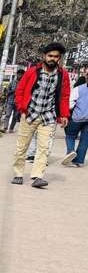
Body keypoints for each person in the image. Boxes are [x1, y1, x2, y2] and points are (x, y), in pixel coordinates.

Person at [12, 42, 75, 188]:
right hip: (30, 114)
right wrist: (22, 107)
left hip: (49, 116)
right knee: (22, 147)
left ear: (60, 58)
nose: (53, 59)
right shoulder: (33, 71)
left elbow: (65, 96)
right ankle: (18, 173)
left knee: (44, 148)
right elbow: (20, 90)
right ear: (44, 56)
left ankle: (37, 177)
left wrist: (64, 114)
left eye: (56, 57)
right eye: (50, 56)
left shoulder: (63, 74)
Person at [65, 76, 88, 167]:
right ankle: (78, 161)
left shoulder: (78, 89)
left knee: (70, 135)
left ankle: (71, 151)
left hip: (77, 117)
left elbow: (70, 105)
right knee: (85, 139)